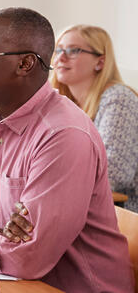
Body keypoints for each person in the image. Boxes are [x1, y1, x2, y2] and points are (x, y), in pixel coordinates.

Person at [0, 8, 133, 292]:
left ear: (25, 64)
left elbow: (28, 258)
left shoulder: (64, 135)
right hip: (4, 279)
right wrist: (0, 237)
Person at [50, 25, 138, 211]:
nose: (61, 57)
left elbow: (114, 174)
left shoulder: (118, 99)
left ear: (100, 62)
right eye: (58, 49)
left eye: (74, 50)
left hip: (123, 213)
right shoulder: (62, 103)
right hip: (81, 204)